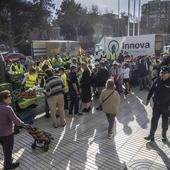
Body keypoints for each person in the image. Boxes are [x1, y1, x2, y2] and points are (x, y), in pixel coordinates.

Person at [0, 90, 28, 170]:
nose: (11, 98)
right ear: (4, 99)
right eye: (9, 96)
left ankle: (8, 162)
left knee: (6, 150)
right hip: (7, 134)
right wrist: (25, 125)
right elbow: (16, 121)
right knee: (8, 152)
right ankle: (8, 167)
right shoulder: (7, 108)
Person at [145, 66, 170, 142]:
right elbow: (152, 89)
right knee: (154, 120)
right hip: (156, 105)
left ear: (169, 73)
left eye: (164, 73)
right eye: (161, 73)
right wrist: (148, 99)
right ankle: (151, 135)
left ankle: (164, 135)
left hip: (166, 106)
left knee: (165, 121)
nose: (162, 74)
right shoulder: (157, 80)